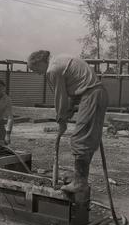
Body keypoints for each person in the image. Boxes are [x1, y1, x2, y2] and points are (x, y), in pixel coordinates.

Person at [27, 50, 108, 193]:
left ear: (41, 62)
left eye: (35, 69)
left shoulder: (52, 69)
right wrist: (70, 108)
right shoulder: (60, 59)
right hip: (94, 93)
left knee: (79, 140)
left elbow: (60, 98)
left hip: (91, 95)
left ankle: (80, 182)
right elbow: (75, 85)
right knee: (87, 139)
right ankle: (80, 178)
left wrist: (61, 120)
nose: (36, 73)